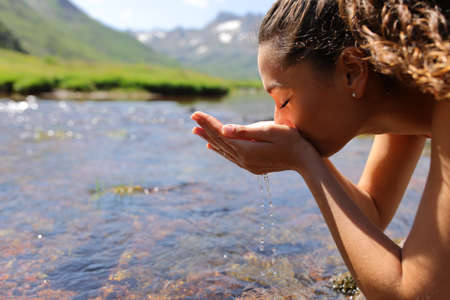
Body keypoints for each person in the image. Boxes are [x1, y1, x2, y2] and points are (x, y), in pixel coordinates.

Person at [191, 0, 449, 298]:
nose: (280, 122)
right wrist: (303, 156)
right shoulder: (410, 88)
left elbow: (414, 294)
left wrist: (304, 160)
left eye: (284, 101)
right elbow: (372, 212)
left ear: (351, 71)